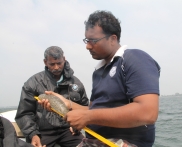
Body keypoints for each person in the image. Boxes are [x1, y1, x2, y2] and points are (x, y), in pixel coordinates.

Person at [40, 10, 160, 147]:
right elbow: (93, 110)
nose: (87, 46)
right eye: (86, 40)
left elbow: (148, 113)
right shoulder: (98, 72)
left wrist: (87, 117)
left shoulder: (134, 59)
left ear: (113, 39)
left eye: (93, 40)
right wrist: (67, 104)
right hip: (93, 142)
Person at [15, 46, 89, 147]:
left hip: (68, 131)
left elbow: (85, 108)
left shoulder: (76, 83)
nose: (56, 67)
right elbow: (24, 113)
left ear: (64, 59)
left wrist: (77, 125)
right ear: (45, 62)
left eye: (59, 63)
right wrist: (33, 134)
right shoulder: (32, 83)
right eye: (52, 64)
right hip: (42, 132)